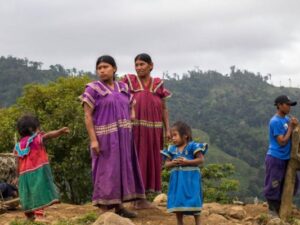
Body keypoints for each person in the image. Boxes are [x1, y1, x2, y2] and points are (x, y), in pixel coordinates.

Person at [81, 55, 145, 218]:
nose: (102, 71)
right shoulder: (92, 89)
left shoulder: (122, 87)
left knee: (121, 169)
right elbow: (87, 116)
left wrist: (131, 114)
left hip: (123, 137)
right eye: (99, 68)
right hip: (104, 138)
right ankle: (104, 210)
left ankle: (119, 206)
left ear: (114, 69)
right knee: (106, 171)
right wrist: (93, 140)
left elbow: (131, 104)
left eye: (105, 67)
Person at [122, 53, 171, 208]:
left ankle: (142, 198)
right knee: (136, 158)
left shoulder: (157, 84)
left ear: (151, 65)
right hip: (135, 129)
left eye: (142, 64)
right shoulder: (129, 82)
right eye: (136, 65)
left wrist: (167, 129)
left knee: (150, 159)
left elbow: (164, 108)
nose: (139, 68)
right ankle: (134, 198)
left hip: (154, 130)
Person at [14, 114, 70, 220]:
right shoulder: (36, 139)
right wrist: (60, 131)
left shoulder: (18, 145)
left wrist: (17, 176)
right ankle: (39, 216)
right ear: (32, 129)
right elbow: (48, 135)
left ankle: (29, 216)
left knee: (27, 195)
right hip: (37, 173)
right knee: (39, 193)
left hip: (23, 176)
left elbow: (17, 162)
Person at [161, 121, 207, 225]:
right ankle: (180, 222)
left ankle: (198, 223)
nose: (172, 138)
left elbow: (201, 160)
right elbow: (166, 165)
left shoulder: (193, 146)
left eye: (175, 135)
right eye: (172, 136)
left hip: (191, 180)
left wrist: (187, 162)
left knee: (194, 199)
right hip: (177, 180)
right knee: (178, 200)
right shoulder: (172, 149)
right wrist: (173, 162)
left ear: (185, 136)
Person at [264, 95, 298, 217]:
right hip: (276, 157)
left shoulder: (286, 119)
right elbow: (282, 141)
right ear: (279, 105)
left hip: (285, 158)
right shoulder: (275, 121)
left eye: (290, 105)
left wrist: (294, 126)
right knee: (274, 182)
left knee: (293, 183)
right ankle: (272, 209)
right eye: (287, 104)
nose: (289, 107)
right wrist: (290, 127)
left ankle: (282, 205)